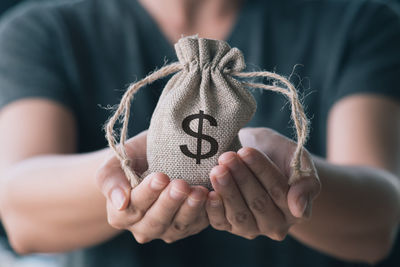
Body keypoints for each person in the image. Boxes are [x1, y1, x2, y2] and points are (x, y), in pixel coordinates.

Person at [0, 0, 399, 266]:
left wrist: (292, 180)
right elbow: (20, 212)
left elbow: (380, 218)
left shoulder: (361, 23)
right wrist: (135, 168)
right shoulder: (41, 31)